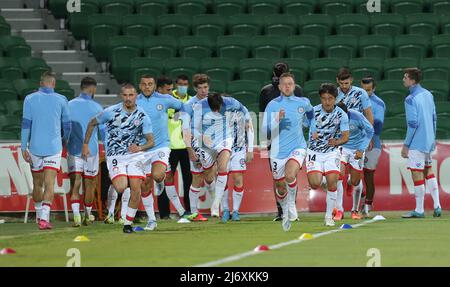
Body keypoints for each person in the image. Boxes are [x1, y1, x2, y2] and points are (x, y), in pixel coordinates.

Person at [82, 83, 154, 233]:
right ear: (122, 96)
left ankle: (127, 224)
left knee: (136, 190)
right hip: (116, 156)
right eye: (125, 95)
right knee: (121, 187)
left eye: (131, 95)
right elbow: (91, 123)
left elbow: (150, 141)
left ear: (136, 96)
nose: (128, 98)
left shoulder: (142, 116)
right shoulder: (110, 112)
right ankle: (124, 178)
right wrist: (85, 144)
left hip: (134, 156)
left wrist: (139, 148)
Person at [181, 91, 251, 220]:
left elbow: (245, 110)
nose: (217, 111)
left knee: (222, 168)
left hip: (224, 138)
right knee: (206, 175)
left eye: (218, 108)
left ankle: (216, 203)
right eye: (214, 109)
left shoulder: (231, 102)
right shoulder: (199, 106)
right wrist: (201, 137)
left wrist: (247, 120)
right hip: (205, 141)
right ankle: (196, 210)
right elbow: (192, 129)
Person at [261, 73, 313, 231]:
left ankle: (291, 206)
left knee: (290, 175)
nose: (288, 86)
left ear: (294, 85)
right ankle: (284, 208)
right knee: (280, 185)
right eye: (284, 84)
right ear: (279, 87)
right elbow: (264, 130)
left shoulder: (303, 102)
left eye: (290, 83)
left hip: (298, 147)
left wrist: (312, 128)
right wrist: (276, 119)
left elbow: (312, 118)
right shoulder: (272, 105)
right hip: (277, 150)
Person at [136, 75, 189, 230]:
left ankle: (161, 178)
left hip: (161, 146)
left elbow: (184, 107)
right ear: (140, 86)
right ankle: (152, 220)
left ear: (154, 86)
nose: (147, 87)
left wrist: (177, 118)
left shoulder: (165, 99)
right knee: (145, 185)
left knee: (158, 176)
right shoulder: (135, 100)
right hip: (143, 148)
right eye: (144, 84)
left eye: (150, 84)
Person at [21, 71, 72, 230]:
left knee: (37, 184)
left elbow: (25, 125)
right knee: (50, 183)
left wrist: (24, 147)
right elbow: (68, 126)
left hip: (35, 147)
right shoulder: (62, 99)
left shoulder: (29, 99)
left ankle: (39, 215)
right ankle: (44, 218)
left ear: (41, 83)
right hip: (53, 147)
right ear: (54, 84)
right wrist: (65, 140)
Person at [259, 62, 304, 222]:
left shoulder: (296, 90)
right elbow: (263, 117)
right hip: (275, 139)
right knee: (278, 177)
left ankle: (290, 208)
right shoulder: (266, 92)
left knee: (290, 174)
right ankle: (281, 209)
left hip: (291, 139)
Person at [306, 83, 349, 227]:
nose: (327, 102)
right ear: (320, 98)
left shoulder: (341, 114)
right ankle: (323, 179)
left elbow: (345, 137)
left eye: (330, 98)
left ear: (335, 98)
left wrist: (336, 141)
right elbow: (303, 126)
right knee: (315, 183)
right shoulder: (313, 112)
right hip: (314, 152)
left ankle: (328, 216)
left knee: (333, 183)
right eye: (324, 98)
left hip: (332, 152)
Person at [401, 68, 441, 218]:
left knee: (416, 173)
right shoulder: (428, 94)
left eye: (405, 77)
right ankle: (437, 206)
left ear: (412, 80)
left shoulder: (410, 99)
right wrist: (432, 137)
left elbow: (413, 124)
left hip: (417, 142)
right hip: (429, 139)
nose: (403, 80)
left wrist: (406, 145)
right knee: (428, 171)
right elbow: (434, 118)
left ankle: (419, 209)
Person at [67, 77, 103, 227]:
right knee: (90, 184)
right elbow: (103, 132)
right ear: (92, 89)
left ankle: (76, 216)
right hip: (91, 151)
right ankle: (87, 215)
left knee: (75, 184)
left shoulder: (69, 105)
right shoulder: (97, 107)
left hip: (73, 150)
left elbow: (64, 129)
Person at [178, 74, 213, 222]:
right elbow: (184, 130)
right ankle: (194, 212)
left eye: (205, 87)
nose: (203, 90)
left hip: (212, 146)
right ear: (195, 88)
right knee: (197, 177)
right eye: (200, 88)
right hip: (197, 146)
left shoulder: (213, 102)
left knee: (212, 177)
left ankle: (221, 209)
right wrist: (190, 150)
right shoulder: (188, 105)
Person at [333, 102, 374, 221]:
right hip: (342, 148)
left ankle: (354, 210)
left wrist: (361, 149)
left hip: (357, 148)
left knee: (355, 181)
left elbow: (370, 131)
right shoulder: (333, 117)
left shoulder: (357, 117)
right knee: (338, 175)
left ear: (347, 113)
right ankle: (339, 210)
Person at [221, 97, 255, 223]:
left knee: (237, 178)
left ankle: (235, 211)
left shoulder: (241, 112)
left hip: (238, 150)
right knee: (222, 180)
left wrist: (250, 149)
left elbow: (249, 129)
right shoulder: (214, 115)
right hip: (222, 151)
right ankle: (225, 209)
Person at [166, 74, 193, 216]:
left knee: (188, 179)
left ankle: (189, 210)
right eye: (180, 84)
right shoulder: (169, 99)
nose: (183, 86)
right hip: (170, 146)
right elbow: (170, 117)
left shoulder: (190, 100)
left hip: (186, 147)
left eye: (185, 84)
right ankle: (164, 213)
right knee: (166, 177)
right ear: (176, 85)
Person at [360, 77, 386, 218]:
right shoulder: (357, 100)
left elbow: (378, 124)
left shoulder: (378, 103)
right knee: (353, 174)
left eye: (368, 90)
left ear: (374, 89)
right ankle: (362, 197)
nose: (365, 93)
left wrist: (368, 137)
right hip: (357, 143)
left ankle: (368, 205)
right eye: (363, 89)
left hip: (372, 144)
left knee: (368, 175)